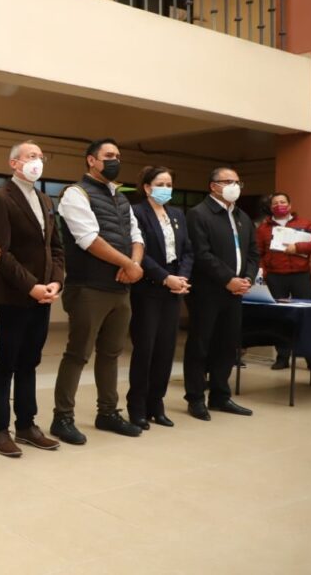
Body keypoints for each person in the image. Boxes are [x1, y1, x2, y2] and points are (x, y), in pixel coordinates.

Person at [51, 138, 144, 444]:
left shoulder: (121, 198)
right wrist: (128, 264)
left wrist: (134, 264)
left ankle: (107, 413)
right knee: (78, 353)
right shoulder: (75, 194)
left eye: (118, 155)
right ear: (91, 160)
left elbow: (136, 236)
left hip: (120, 287)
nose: (115, 160)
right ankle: (62, 418)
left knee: (112, 353)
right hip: (88, 287)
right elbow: (88, 239)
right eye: (109, 155)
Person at [0, 141, 64, 457]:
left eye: (41, 157)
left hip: (43, 296)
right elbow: (1, 253)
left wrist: (55, 282)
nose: (38, 162)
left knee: (30, 361)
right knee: (6, 362)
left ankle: (27, 425)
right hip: (13, 297)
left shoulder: (44, 199)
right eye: (31, 156)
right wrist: (31, 286)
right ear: (14, 163)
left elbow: (55, 248)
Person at [184, 167, 258, 421]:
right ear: (213, 186)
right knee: (200, 344)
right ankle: (195, 398)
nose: (234, 186)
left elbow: (253, 253)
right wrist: (228, 279)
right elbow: (201, 254)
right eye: (228, 181)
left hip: (236, 292)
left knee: (227, 345)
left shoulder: (242, 216)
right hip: (207, 290)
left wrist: (247, 278)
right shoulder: (198, 214)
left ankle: (220, 395)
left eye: (237, 182)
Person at [127, 166, 192, 429]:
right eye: (160, 184)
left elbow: (187, 250)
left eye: (169, 184)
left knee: (166, 349)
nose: (166, 188)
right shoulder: (136, 212)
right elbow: (139, 252)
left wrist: (182, 277)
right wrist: (165, 277)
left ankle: (156, 404)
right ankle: (137, 406)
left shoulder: (177, 214)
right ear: (147, 187)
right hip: (148, 288)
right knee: (145, 348)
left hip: (174, 288)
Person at [256, 192, 311, 373]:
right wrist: (263, 271)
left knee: (308, 317)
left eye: (282, 202)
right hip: (275, 277)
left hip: (301, 276)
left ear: (289, 204)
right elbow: (258, 253)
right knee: (280, 318)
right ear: (270, 207)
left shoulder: (305, 224)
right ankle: (282, 357)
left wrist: (298, 247)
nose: (279, 205)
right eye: (275, 203)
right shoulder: (263, 228)